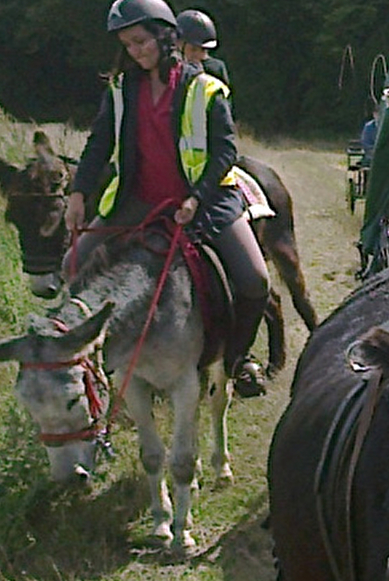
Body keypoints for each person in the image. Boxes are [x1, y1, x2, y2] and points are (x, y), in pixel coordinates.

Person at [64, 0, 272, 397]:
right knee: (72, 265)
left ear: (164, 36)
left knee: (255, 280)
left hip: (205, 203)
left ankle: (237, 360)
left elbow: (225, 152)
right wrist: (78, 193)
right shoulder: (121, 89)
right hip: (138, 202)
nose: (136, 52)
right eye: (128, 45)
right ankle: (87, 369)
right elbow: (98, 144)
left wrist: (195, 198)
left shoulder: (205, 88)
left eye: (141, 41)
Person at [176, 9, 229, 86]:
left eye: (204, 50)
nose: (199, 56)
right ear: (178, 44)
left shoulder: (215, 70)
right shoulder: (167, 72)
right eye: (193, 49)